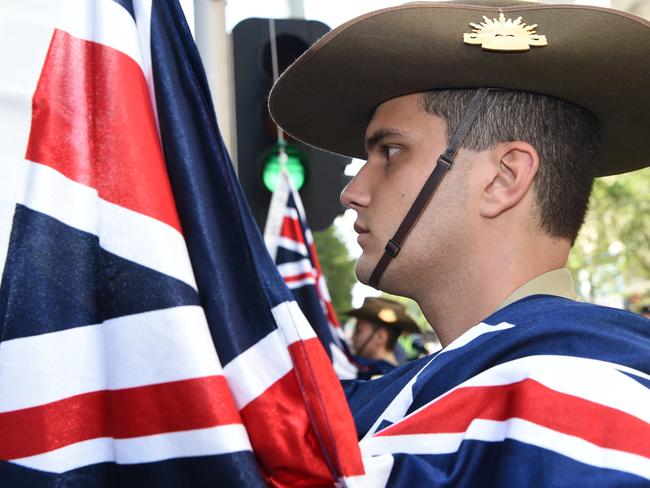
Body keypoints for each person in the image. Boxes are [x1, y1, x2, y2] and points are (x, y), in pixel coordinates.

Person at [269, 1, 650, 485]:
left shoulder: (591, 401)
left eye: (390, 152)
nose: (352, 192)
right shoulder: (422, 395)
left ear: (503, 178)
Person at [345, 297, 420, 379]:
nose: (352, 337)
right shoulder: (394, 378)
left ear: (380, 337)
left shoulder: (379, 380)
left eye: (358, 331)